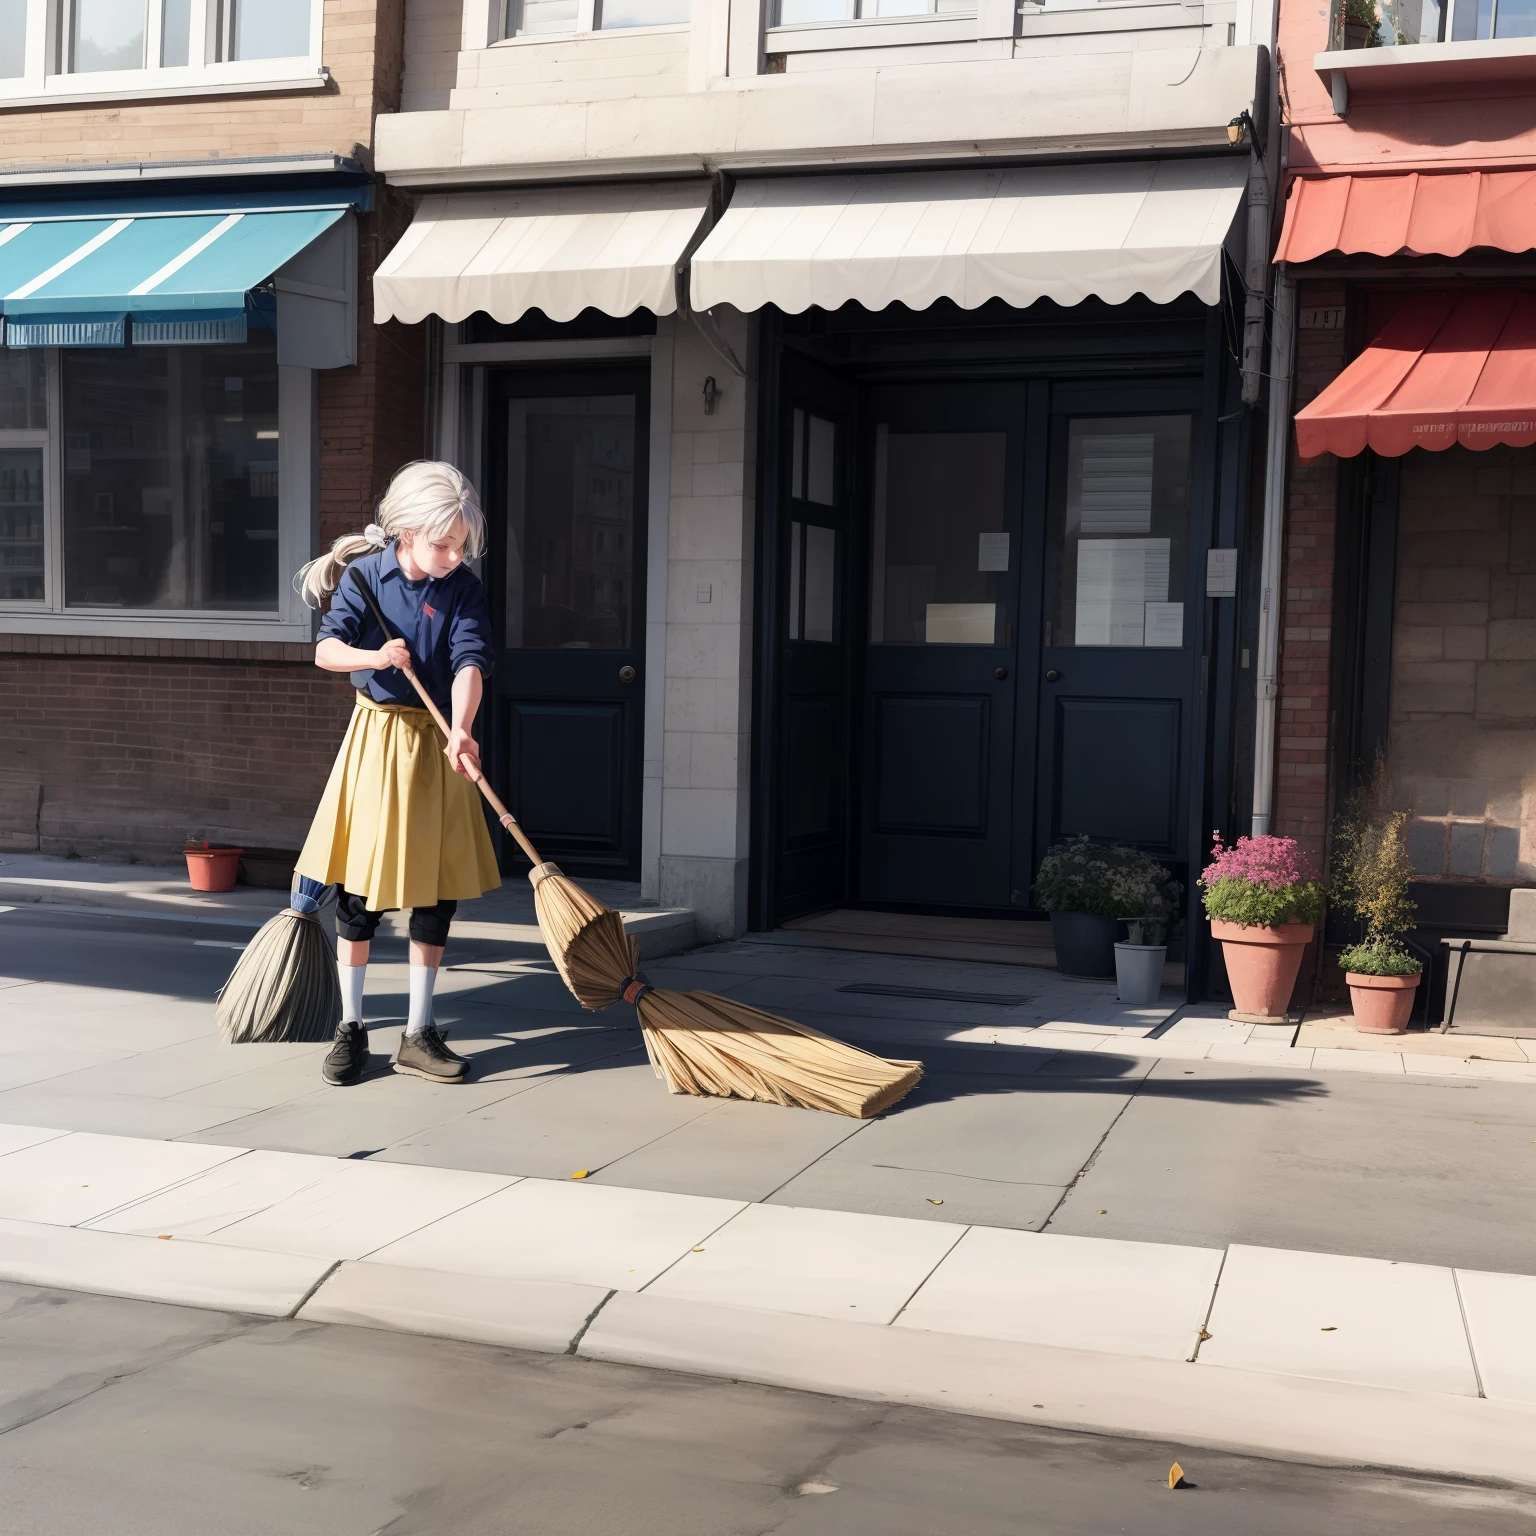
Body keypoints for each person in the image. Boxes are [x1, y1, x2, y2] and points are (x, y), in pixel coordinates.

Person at [292, 461, 499, 1087]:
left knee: (436, 895)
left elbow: (470, 661)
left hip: (438, 742)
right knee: (360, 894)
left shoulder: (462, 586)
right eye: (443, 543)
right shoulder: (364, 578)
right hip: (378, 741)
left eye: (462, 544)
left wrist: (461, 728)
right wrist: (374, 655)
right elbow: (327, 649)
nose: (454, 554)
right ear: (406, 532)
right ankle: (351, 1027)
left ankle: (418, 1032)